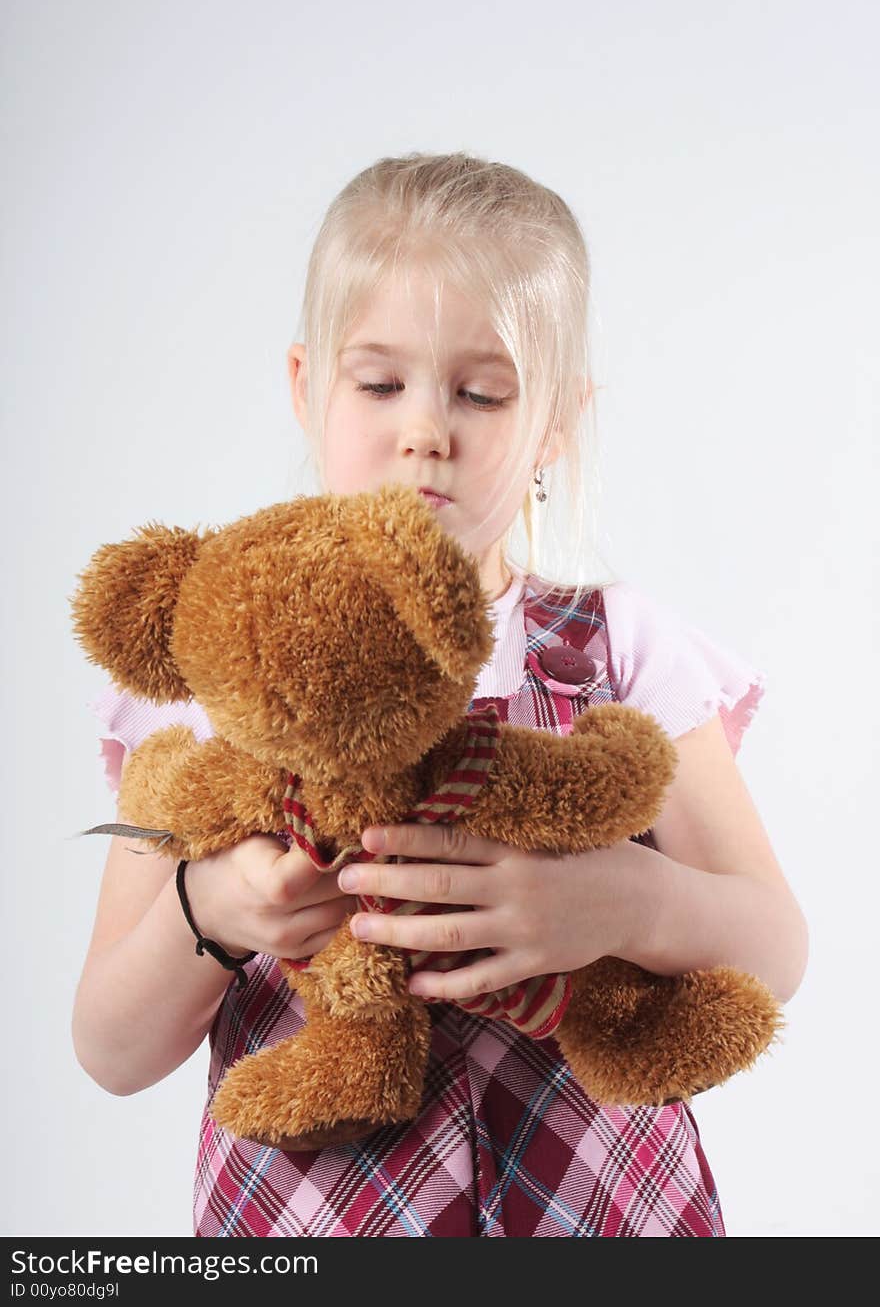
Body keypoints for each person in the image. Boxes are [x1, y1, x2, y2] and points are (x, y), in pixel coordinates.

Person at [73, 151, 808, 1238]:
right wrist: (213, 910)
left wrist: (626, 902)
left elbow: (774, 945)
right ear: (304, 385)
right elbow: (109, 1048)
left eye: (482, 391)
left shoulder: (617, 648)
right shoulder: (216, 675)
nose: (425, 428)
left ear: (556, 419)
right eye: (379, 383)